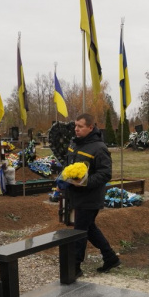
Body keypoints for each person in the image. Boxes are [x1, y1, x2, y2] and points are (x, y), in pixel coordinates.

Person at [65, 113, 121, 276]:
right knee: (89, 228)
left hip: (90, 196)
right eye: (75, 126)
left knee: (79, 231)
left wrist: (86, 182)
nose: (76, 129)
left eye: (80, 126)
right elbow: (68, 163)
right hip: (75, 194)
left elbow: (105, 173)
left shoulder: (99, 148)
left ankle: (74, 267)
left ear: (90, 127)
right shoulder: (74, 143)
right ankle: (110, 258)